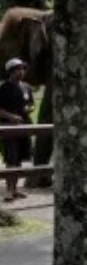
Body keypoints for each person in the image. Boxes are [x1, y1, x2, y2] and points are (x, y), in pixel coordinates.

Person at [0, 58, 34, 202]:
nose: (21, 72)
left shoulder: (27, 87)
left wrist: (29, 109)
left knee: (20, 158)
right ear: (10, 72)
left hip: (24, 127)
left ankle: (15, 190)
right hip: (8, 128)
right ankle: (8, 190)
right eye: (17, 69)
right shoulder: (3, 87)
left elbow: (31, 104)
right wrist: (10, 116)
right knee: (11, 158)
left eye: (22, 69)